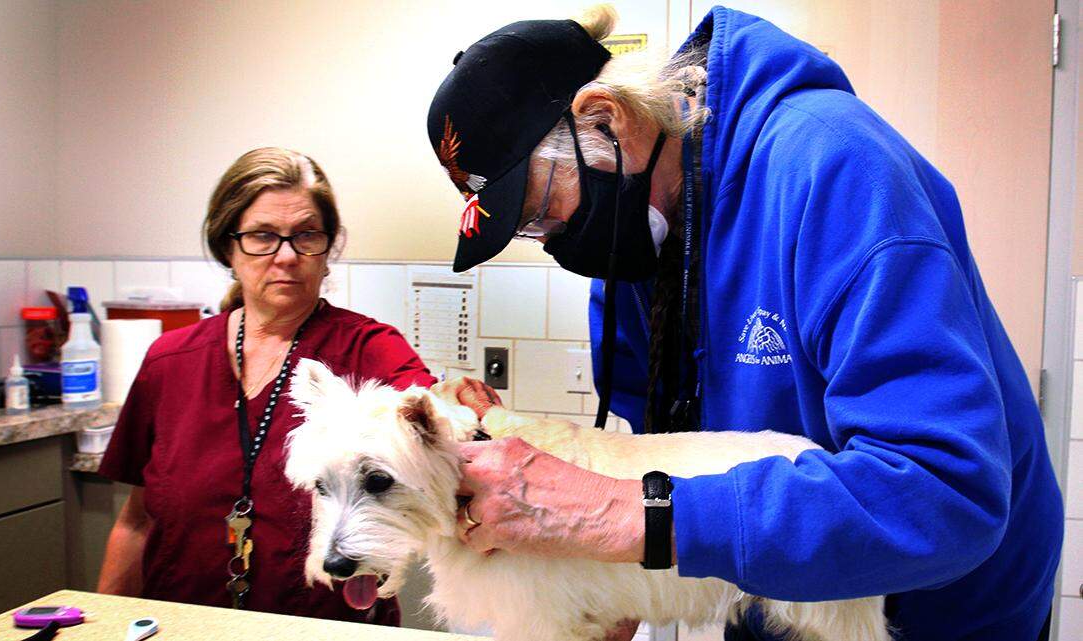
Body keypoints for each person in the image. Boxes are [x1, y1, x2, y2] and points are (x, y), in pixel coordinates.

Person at [426, 6, 1063, 641]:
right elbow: (671, 465)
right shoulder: (629, 253)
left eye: (539, 207)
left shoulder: (836, 169)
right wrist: (597, 585)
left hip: (938, 611)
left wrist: (624, 516)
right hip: (774, 593)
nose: (550, 238)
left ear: (606, 119)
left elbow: (943, 494)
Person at [97, 147, 436, 622]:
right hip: (180, 623)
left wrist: (467, 407)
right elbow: (136, 521)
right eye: (262, 237)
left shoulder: (368, 350)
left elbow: (444, 425)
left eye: (307, 236)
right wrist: (104, 624)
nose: (287, 256)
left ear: (327, 247)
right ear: (227, 248)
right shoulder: (170, 361)